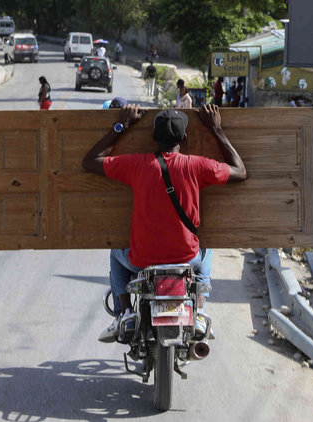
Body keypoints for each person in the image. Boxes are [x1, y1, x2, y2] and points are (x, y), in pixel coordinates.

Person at [82, 104, 247, 342]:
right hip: (186, 259)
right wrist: (216, 128)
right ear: (185, 138)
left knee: (115, 250)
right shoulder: (198, 165)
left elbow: (91, 161)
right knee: (206, 246)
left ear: (152, 138)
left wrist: (122, 125)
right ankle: (199, 310)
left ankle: (125, 312)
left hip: (141, 262)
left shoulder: (137, 165)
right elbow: (240, 171)